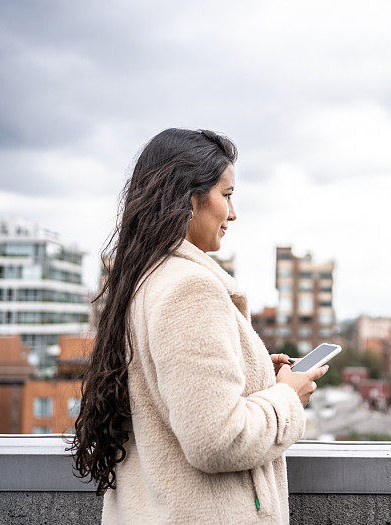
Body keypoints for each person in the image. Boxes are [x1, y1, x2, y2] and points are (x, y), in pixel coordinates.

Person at [70, 128, 328, 524]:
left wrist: (256, 375)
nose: (234, 212)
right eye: (226, 195)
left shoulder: (144, 278)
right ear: (189, 199)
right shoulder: (190, 289)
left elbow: (168, 397)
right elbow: (215, 440)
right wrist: (287, 398)